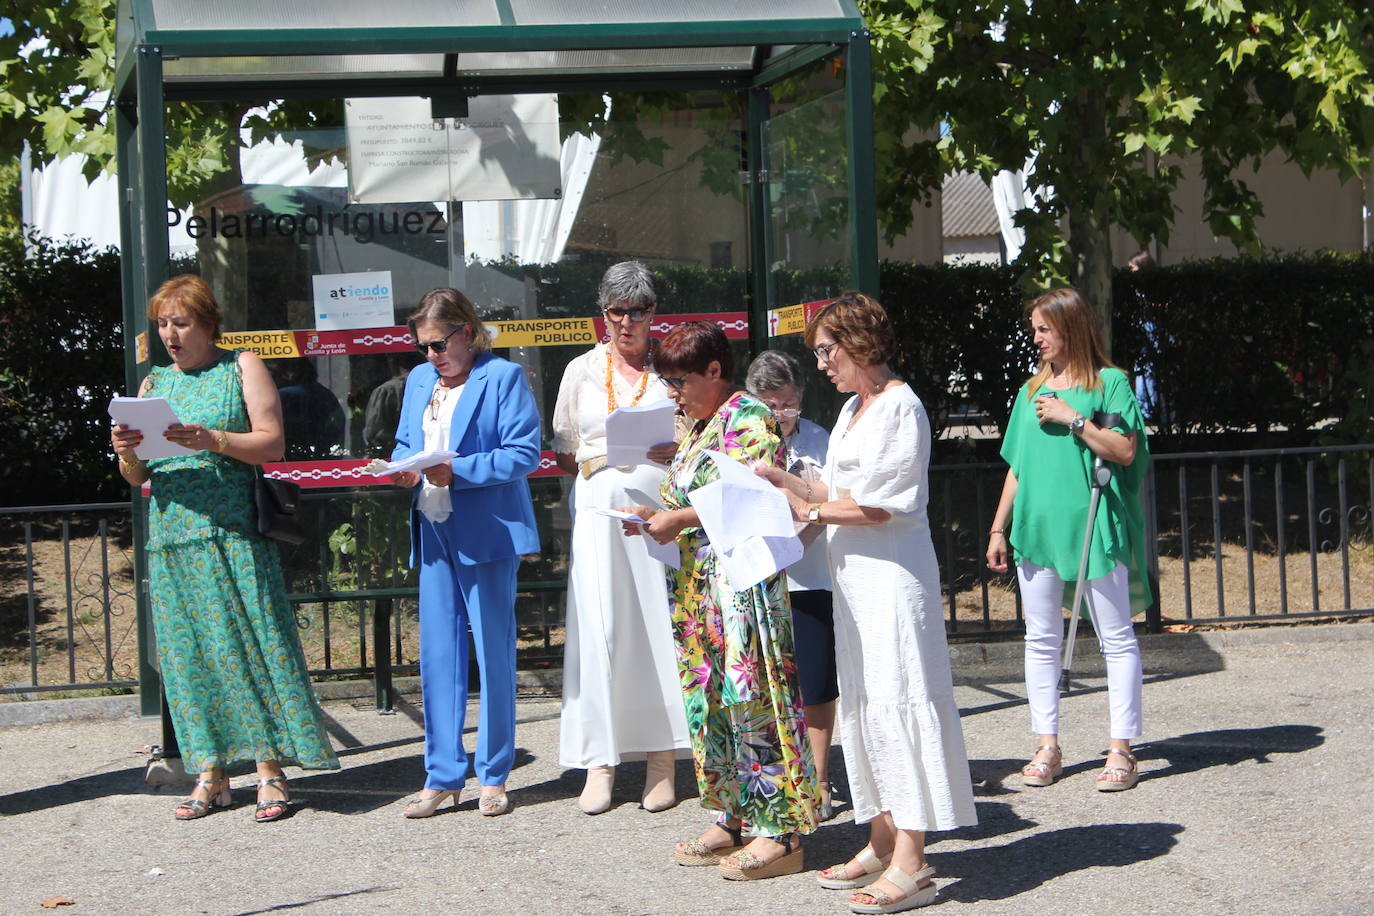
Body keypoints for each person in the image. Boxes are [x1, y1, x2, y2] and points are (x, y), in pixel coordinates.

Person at [757, 292, 977, 913]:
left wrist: (810, 507)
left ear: (861, 343)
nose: (822, 364)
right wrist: (782, 480)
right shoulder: (855, 407)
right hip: (853, 583)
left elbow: (882, 504)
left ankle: (913, 861)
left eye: (828, 350)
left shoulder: (901, 406)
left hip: (892, 582)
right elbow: (837, 490)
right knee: (865, 707)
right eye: (820, 353)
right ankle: (882, 839)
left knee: (900, 702)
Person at [111, 274, 339, 823]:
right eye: (164, 323)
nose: (170, 333)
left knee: (249, 646)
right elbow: (136, 474)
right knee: (189, 658)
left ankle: (269, 772)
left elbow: (273, 442)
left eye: (181, 322)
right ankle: (211, 774)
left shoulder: (242, 365)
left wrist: (212, 438)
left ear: (208, 324)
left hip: (231, 534)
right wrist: (125, 451)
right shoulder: (152, 383)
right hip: (172, 539)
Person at [621, 320, 818, 881]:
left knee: (753, 695)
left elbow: (754, 496)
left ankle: (780, 828)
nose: (672, 392)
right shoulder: (700, 426)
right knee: (710, 701)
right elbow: (689, 495)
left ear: (714, 370)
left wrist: (678, 518)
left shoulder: (750, 418)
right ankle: (732, 812)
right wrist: (652, 516)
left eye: (679, 380)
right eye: (667, 382)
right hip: (697, 588)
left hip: (742, 587)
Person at [985, 286, 1151, 794]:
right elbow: (1018, 466)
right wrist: (998, 526)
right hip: (1036, 529)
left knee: (1114, 637)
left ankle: (1121, 750)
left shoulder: (1110, 384)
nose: (1035, 339)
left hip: (1094, 527)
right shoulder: (1030, 391)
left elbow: (1123, 449)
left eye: (1043, 329)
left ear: (1070, 328)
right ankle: (1047, 745)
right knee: (1040, 640)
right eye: (1034, 329)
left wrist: (1073, 419)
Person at [389, 287, 541, 819]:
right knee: (438, 657)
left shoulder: (502, 377)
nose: (431, 355)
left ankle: (493, 775)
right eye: (423, 346)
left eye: (438, 343)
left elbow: (523, 453)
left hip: (488, 528)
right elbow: (405, 442)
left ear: (467, 333)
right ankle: (442, 776)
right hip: (432, 525)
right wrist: (402, 467)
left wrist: (460, 470)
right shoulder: (417, 381)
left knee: (493, 654)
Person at [552, 261, 689, 815]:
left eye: (639, 311)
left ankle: (662, 760)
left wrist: (672, 450)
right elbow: (564, 448)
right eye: (617, 312)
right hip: (599, 515)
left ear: (653, 313)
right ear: (602, 316)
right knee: (600, 627)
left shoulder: (670, 369)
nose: (628, 322)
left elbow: (702, 432)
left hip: (659, 516)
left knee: (659, 624)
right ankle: (600, 761)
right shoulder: (579, 370)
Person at [744, 349, 839, 822]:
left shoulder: (820, 440)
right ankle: (775, 777)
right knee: (767, 686)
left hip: (811, 576)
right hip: (760, 577)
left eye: (788, 403)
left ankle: (819, 779)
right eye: (770, 405)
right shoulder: (741, 442)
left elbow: (829, 501)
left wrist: (807, 525)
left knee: (817, 683)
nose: (780, 415)